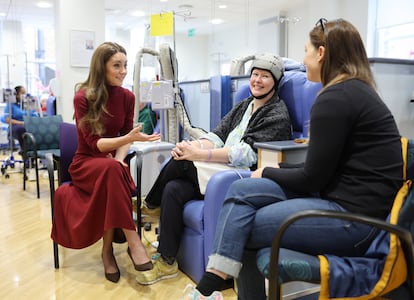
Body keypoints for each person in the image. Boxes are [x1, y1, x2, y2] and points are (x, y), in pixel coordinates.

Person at [181, 18, 404, 300]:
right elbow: (320, 169)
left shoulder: (334, 98)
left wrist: (270, 172)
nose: (304, 59)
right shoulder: (353, 91)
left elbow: (313, 177)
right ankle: (213, 282)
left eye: (307, 51)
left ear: (322, 53)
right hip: (345, 204)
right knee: (242, 189)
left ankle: (209, 286)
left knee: (245, 225)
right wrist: (271, 171)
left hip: (355, 222)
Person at [135, 53, 293, 286]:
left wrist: (197, 155)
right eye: (255, 74)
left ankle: (149, 206)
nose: (258, 80)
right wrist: (191, 146)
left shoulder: (277, 114)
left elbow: (247, 154)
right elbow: (217, 136)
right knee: (174, 188)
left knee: (183, 162)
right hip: (219, 167)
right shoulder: (244, 106)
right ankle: (168, 261)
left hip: (240, 176)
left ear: (275, 82)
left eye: (265, 76)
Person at [50, 42, 161, 283]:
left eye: (125, 66)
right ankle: (133, 240)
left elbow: (123, 139)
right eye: (116, 66)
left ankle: (107, 252)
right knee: (111, 171)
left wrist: (121, 159)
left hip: (111, 164)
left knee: (113, 171)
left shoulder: (128, 97)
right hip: (86, 163)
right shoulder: (82, 98)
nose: (123, 71)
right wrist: (127, 139)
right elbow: (94, 144)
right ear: (102, 67)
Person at [2, 85, 38, 151]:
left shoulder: (27, 104)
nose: (24, 95)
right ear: (16, 95)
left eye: (25, 93)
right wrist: (21, 123)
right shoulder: (10, 105)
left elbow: (34, 115)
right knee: (22, 129)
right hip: (15, 127)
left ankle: (36, 153)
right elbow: (7, 120)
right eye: (22, 93)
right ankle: (25, 153)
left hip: (28, 125)